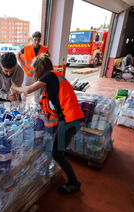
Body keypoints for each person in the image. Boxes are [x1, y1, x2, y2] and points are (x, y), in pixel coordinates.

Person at [11, 54, 84, 194]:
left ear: (42, 68)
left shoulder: (51, 75)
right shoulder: (52, 81)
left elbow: (29, 90)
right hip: (68, 119)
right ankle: (48, 170)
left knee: (58, 154)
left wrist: (16, 87)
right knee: (53, 145)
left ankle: (74, 183)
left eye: (35, 70)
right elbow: (48, 107)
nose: (34, 74)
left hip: (70, 119)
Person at [17, 31, 49, 102]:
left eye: (38, 40)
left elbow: (47, 59)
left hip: (38, 73)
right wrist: (21, 64)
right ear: (32, 39)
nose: (37, 42)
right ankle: (22, 105)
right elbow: (18, 54)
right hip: (28, 73)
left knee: (37, 91)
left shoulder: (44, 49)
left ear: (40, 39)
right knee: (24, 90)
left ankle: (36, 106)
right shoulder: (26, 48)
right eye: (35, 40)